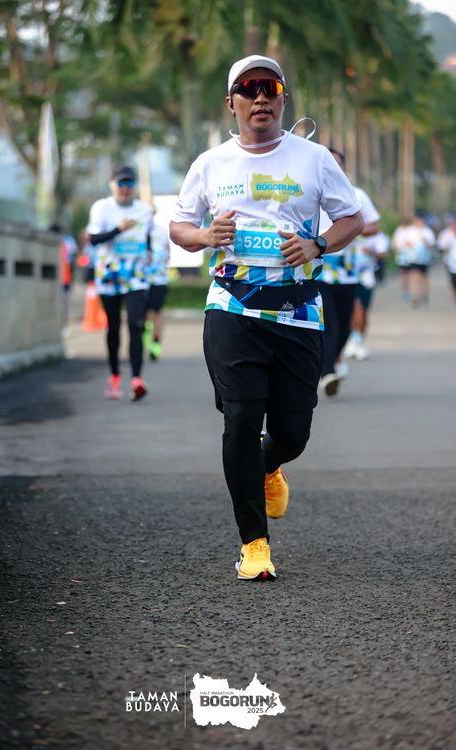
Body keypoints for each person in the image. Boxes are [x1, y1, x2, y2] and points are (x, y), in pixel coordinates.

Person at [170, 54, 363, 581]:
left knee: (293, 432)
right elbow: (179, 227)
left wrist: (317, 243)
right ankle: (254, 545)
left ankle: (270, 464)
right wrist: (206, 236)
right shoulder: (210, 164)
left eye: (270, 88)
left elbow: (351, 218)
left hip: (297, 311)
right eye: (249, 88)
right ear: (230, 102)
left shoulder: (314, 159)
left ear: (283, 99)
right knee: (239, 420)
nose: (260, 97)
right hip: (232, 308)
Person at [87, 165, 153, 400]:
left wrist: (149, 250)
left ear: (134, 186)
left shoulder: (144, 210)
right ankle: (114, 376)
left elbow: (146, 234)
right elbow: (93, 239)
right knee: (113, 326)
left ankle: (137, 379)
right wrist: (118, 229)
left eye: (129, 183)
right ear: (112, 185)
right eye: (121, 183)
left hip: (136, 275)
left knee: (136, 323)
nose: (125, 188)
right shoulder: (102, 208)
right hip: (110, 275)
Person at [317, 148, 380, 393]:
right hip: (317, 270)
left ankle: (332, 360)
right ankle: (327, 373)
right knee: (328, 322)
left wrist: (350, 228)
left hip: (347, 271)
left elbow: (373, 226)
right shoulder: (307, 192)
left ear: (343, 169)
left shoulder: (356, 195)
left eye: (336, 164)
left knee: (344, 326)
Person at [344, 229, 389, 361]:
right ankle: (351, 339)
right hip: (349, 277)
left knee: (363, 311)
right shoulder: (348, 231)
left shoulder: (377, 236)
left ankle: (359, 341)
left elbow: (384, 254)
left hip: (367, 278)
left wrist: (370, 252)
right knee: (354, 308)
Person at [391, 213, 435, 306]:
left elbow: (432, 244)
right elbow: (402, 242)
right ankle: (415, 295)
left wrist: (426, 242)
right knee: (414, 275)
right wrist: (406, 245)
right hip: (412, 258)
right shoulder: (410, 231)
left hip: (424, 259)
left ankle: (424, 294)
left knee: (423, 277)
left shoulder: (427, 231)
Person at [143, 222, 170, 361]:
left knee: (157, 312)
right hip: (141, 280)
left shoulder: (162, 230)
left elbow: (168, 252)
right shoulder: (138, 230)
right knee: (144, 313)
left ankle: (155, 344)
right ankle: (144, 339)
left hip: (159, 279)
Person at [437, 215, 456, 303]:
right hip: (449, 260)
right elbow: (440, 246)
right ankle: (454, 292)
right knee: (452, 277)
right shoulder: (445, 234)